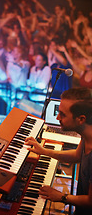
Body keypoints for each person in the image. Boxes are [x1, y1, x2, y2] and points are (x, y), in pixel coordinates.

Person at [25, 87, 92, 215]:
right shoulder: (87, 132)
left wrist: (61, 197)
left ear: (81, 119)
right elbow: (77, 156)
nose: (57, 118)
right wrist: (44, 151)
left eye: (63, 114)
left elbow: (90, 201)